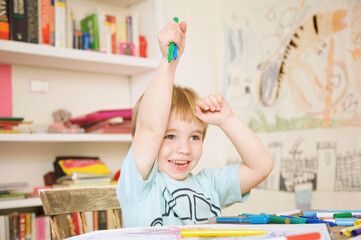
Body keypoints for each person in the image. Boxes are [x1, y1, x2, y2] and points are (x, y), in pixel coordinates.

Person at [116, 19, 273, 228]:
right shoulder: (137, 186)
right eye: (170, 136)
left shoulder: (209, 185)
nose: (184, 149)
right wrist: (168, 61)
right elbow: (151, 129)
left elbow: (260, 167)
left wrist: (228, 120)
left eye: (194, 137)